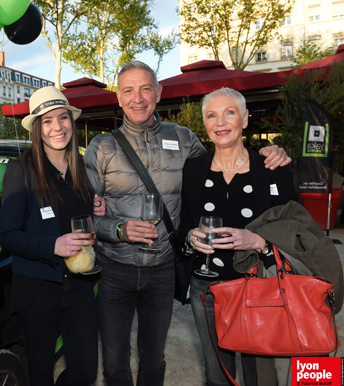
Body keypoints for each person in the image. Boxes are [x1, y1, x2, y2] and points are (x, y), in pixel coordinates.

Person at [83, 61, 291, 386]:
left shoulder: (183, 139)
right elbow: (86, 216)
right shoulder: (101, 147)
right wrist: (118, 230)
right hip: (115, 270)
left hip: (164, 270)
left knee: (154, 360)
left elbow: (224, 159)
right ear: (119, 98)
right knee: (113, 362)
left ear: (158, 93)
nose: (138, 98)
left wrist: (269, 155)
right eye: (128, 91)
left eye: (145, 89)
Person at [179, 87, 299, 386]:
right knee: (218, 373)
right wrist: (190, 235)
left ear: (245, 119)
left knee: (262, 373)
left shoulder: (273, 168)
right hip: (206, 288)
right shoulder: (193, 169)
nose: (220, 122)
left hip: (259, 287)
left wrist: (258, 242)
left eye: (229, 112)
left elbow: (298, 228)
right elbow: (183, 223)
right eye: (211, 115)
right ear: (205, 125)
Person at [0, 86, 104, 386]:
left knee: (85, 372)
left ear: (72, 121)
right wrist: (52, 245)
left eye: (63, 118)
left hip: (81, 283)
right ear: (37, 128)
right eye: (47, 121)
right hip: (39, 288)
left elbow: (79, 212)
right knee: (41, 369)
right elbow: (8, 236)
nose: (57, 127)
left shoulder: (80, 167)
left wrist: (96, 204)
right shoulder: (20, 170)